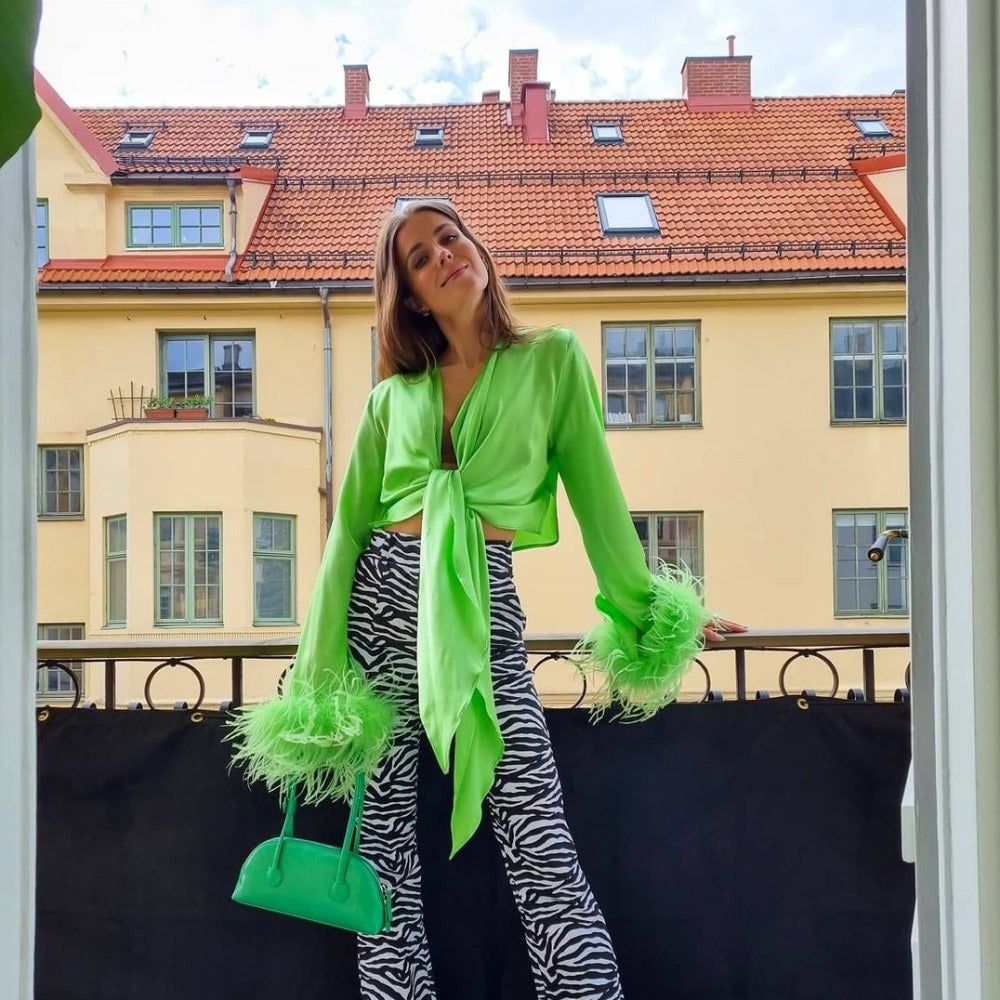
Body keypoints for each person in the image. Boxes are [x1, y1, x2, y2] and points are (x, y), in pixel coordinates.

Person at [225, 199, 747, 999]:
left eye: (449, 238)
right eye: (420, 258)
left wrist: (656, 613)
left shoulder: (552, 361)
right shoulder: (389, 399)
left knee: (541, 845)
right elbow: (343, 541)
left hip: (482, 611)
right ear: (409, 295)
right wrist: (316, 667)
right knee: (383, 854)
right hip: (378, 613)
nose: (442, 256)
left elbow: (598, 501)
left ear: (477, 249)